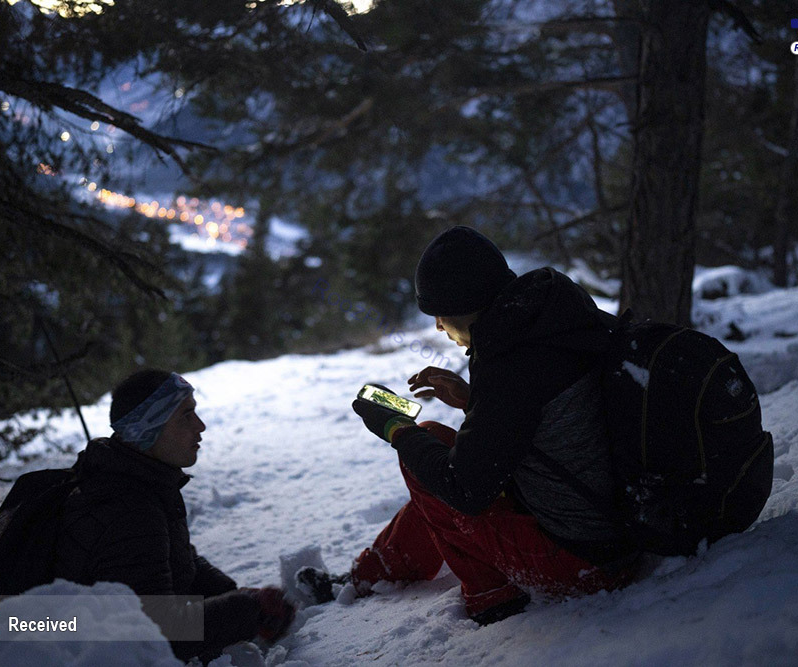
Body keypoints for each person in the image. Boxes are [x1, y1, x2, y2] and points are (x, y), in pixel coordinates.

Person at [310, 226, 640, 624]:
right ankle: (370, 575)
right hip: (611, 524)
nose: (437, 327)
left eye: (439, 314)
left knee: (428, 450)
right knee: (439, 454)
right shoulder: (548, 321)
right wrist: (473, 401)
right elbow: (539, 415)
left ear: (463, 306)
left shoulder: (508, 360)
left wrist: (396, 429)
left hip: (583, 562)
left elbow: (465, 489)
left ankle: (494, 597)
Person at [55, 369, 294, 662]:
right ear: (148, 429)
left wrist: (232, 594)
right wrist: (246, 610)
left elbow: (178, 563)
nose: (201, 426)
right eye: (186, 416)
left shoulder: (140, 480)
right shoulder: (128, 509)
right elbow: (156, 632)